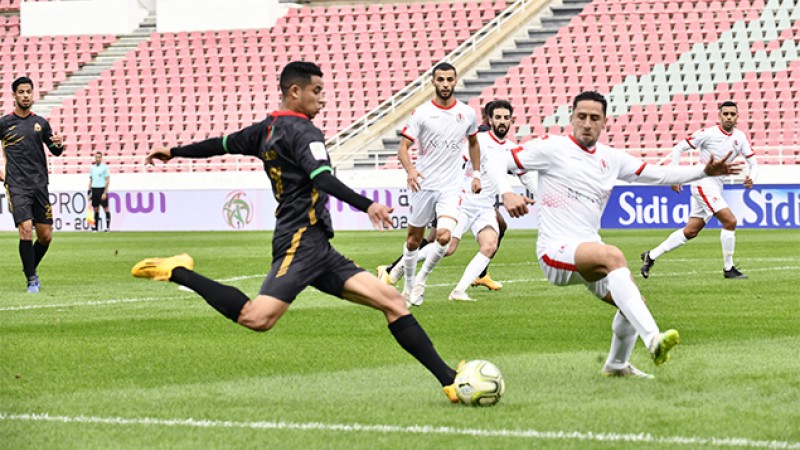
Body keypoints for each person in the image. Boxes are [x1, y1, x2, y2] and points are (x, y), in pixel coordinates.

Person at [131, 61, 461, 402]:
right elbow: (322, 178)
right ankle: (179, 271)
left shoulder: (266, 129)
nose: (322, 99)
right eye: (316, 91)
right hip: (299, 241)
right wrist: (369, 206)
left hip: (318, 245)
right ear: (295, 91)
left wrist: (175, 152)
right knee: (257, 318)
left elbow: (222, 144)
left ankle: (449, 380)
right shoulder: (304, 132)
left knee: (392, 301)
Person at [486, 91, 741, 377]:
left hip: (588, 250)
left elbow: (658, 174)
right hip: (555, 250)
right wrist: (506, 192)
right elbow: (497, 161)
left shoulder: (611, 158)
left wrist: (703, 171)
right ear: (571, 118)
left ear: (605, 122)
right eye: (581, 116)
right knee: (614, 256)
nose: (587, 123)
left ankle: (617, 365)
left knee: (632, 303)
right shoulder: (552, 148)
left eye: (594, 118)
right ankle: (654, 339)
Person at [640, 101, 758, 279]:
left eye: (732, 114)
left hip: (717, 185)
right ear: (719, 116)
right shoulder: (707, 134)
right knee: (730, 221)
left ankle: (651, 255)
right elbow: (680, 147)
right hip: (703, 181)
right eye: (725, 113)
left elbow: (753, 162)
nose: (728, 117)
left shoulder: (740, 137)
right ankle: (729, 269)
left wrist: (752, 177)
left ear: (737, 117)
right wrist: (674, 174)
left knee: (691, 231)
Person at [396, 62, 481, 306]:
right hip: (423, 185)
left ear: (455, 81)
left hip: (451, 187)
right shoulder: (421, 113)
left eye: (449, 80)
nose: (445, 84)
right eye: (440, 80)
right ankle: (409, 285)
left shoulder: (467, 113)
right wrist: (411, 171)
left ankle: (422, 280)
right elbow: (403, 147)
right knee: (413, 241)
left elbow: (474, 143)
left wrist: (476, 174)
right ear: (433, 82)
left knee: (444, 236)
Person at [446, 100, 537, 301]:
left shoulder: (513, 149)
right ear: (489, 119)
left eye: (506, 118)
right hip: (463, 201)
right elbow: (455, 164)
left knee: (491, 243)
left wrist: (541, 196)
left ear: (512, 120)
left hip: (485, 206)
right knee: (445, 247)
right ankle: (397, 269)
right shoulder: (477, 139)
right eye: (498, 117)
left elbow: (526, 175)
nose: (502, 121)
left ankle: (461, 289)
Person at [0, 76, 65, 293]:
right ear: (14, 95)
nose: (26, 95)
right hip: (17, 185)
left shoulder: (42, 123)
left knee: (45, 236)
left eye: (29, 91)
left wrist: (59, 145)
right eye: (21, 92)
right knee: (26, 228)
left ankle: (29, 267)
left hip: (39, 185)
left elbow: (54, 150)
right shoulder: (4, 123)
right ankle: (32, 279)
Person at [88, 151, 111, 232]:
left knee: (106, 208)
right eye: (96, 157)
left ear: (101, 158)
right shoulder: (92, 168)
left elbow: (107, 180)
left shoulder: (105, 167)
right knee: (96, 209)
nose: (97, 159)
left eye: (99, 157)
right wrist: (89, 191)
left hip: (101, 189)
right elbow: (91, 180)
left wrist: (105, 192)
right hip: (94, 189)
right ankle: (96, 227)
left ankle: (107, 227)